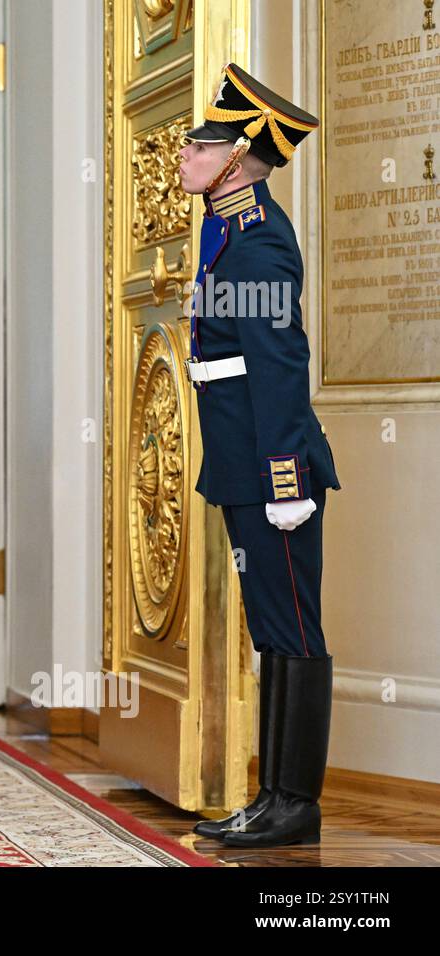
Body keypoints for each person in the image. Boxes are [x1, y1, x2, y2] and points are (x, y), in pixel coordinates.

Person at [177, 63, 339, 848]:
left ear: (237, 159)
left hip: (274, 470)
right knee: (270, 631)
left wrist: (285, 478)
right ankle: (272, 797)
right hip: (241, 461)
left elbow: (279, 366)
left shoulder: (261, 243)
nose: (183, 155)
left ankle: (294, 803)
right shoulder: (226, 232)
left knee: (293, 631)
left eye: (198, 147)